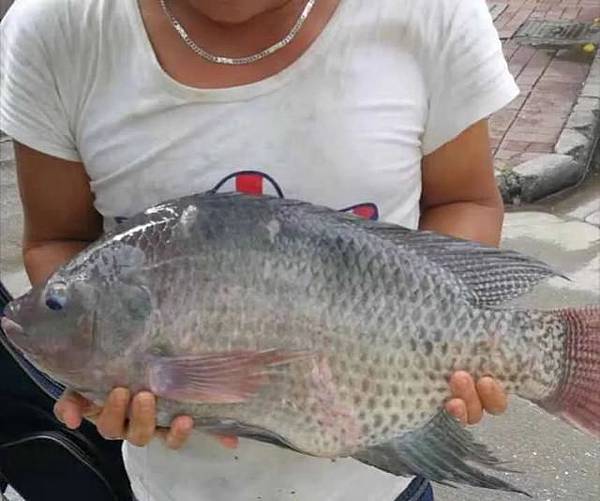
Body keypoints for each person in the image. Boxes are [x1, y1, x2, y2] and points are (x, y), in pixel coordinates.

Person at [0, 0, 518, 499]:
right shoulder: (56, 27)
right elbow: (56, 240)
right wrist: (104, 374)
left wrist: (446, 349)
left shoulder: (432, 12)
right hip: (173, 488)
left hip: (380, 476)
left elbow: (465, 199)